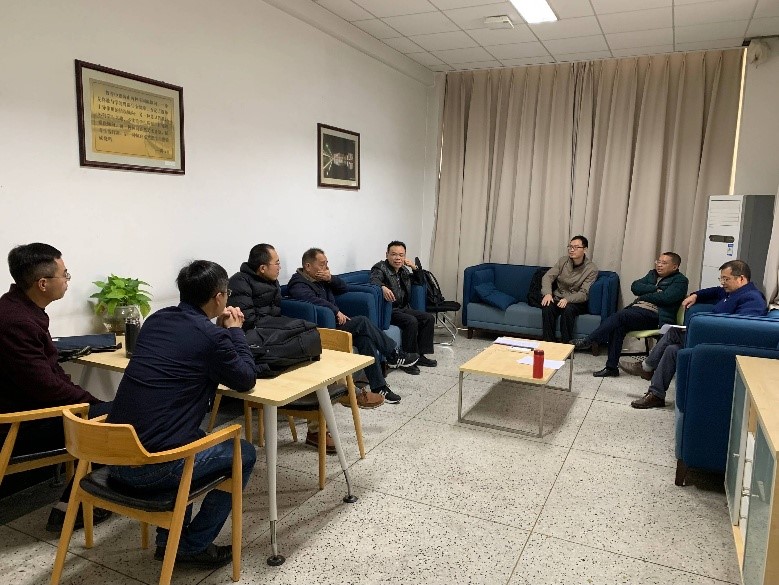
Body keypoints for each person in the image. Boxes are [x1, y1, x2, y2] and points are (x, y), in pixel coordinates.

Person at [107, 260, 257, 569]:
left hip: (112, 456)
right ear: (219, 297)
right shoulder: (213, 337)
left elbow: (192, 347)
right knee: (244, 453)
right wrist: (235, 332)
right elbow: (245, 379)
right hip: (152, 469)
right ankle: (191, 546)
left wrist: (217, 333)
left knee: (193, 436)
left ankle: (169, 542)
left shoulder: (156, 320)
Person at [0, 243, 112, 533]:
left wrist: (88, 401)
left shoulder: (19, 308)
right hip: (18, 425)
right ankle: (69, 510)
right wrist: (91, 404)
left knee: (109, 410)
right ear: (43, 283)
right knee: (117, 420)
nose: (67, 281)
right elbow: (46, 388)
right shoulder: (16, 322)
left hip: (33, 407)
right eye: (65, 275)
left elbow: (50, 373)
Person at [229, 244, 354, 453]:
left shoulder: (271, 281)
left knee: (310, 346)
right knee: (305, 346)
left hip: (270, 337)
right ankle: (318, 428)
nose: (280, 267)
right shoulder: (239, 283)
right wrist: (287, 329)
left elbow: (272, 316)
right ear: (262, 268)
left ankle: (341, 395)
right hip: (254, 345)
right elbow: (248, 323)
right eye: (277, 263)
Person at [621, 259, 767, 408]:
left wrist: (707, 326)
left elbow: (745, 328)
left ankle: (646, 367)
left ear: (741, 278)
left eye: (726, 279)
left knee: (673, 333)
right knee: (672, 349)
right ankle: (656, 394)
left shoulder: (752, 298)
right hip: (711, 336)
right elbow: (714, 291)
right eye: (721, 278)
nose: (722, 283)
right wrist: (695, 295)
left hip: (722, 342)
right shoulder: (731, 292)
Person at [287, 248, 418, 406]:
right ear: (308, 266)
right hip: (324, 331)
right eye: (322, 264)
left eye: (327, 263)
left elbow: (343, 288)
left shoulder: (322, 278)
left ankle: (379, 387)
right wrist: (335, 310)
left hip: (337, 325)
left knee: (365, 339)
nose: (326, 267)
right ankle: (393, 354)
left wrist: (330, 278)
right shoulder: (298, 283)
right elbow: (309, 299)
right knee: (362, 321)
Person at [574, 252, 688, 377]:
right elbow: (635, 287)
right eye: (658, 261)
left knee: (620, 316)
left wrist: (644, 296)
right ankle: (611, 368)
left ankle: (590, 340)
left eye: (664, 263)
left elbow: (666, 298)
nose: (659, 265)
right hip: (637, 311)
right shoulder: (652, 274)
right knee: (618, 326)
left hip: (656, 316)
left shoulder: (680, 281)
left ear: (674, 267)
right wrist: (655, 289)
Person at [370, 241, 436, 375]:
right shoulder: (380, 268)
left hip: (403, 307)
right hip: (389, 310)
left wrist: (414, 268)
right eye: (394, 254)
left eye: (401, 255)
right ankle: (408, 360)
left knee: (428, 318)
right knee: (411, 321)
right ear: (387, 254)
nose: (398, 258)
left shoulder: (404, 270)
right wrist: (382, 287)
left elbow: (420, 282)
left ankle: (420, 355)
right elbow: (374, 280)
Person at [541, 236, 598, 343]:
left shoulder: (591, 269)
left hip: (576, 302)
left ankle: (566, 344)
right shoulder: (563, 261)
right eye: (570, 247)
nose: (572, 250)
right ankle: (548, 343)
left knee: (568, 309)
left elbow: (584, 293)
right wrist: (547, 293)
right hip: (558, 297)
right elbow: (547, 277)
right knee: (547, 305)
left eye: (576, 247)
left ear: (585, 249)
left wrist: (567, 299)